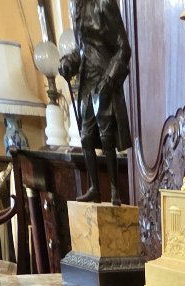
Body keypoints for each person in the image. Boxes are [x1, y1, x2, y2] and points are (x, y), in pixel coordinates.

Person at [60, 0, 132, 205]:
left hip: (104, 78)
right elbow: (81, 50)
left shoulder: (105, 4)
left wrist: (109, 80)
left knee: (106, 136)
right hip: (87, 81)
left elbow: (123, 48)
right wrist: (68, 63)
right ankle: (94, 188)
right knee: (86, 137)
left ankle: (114, 191)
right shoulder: (76, 8)